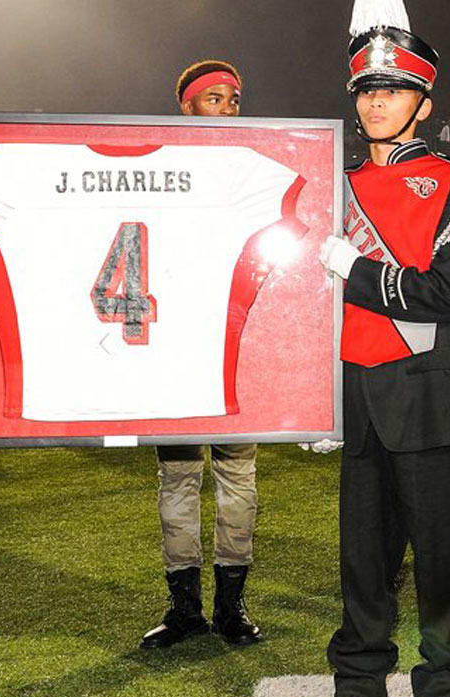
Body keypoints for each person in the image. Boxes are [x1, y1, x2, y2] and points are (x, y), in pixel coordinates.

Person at [316, 1, 450, 697]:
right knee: (363, 565)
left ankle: (443, 689)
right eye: (367, 91)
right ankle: (359, 690)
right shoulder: (330, 185)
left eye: (394, 90)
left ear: (424, 102)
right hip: (359, 392)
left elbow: (447, 291)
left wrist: (356, 269)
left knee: (443, 561)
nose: (378, 101)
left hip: (436, 395)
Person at [140, 59, 262, 650]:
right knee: (178, 479)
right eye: (212, 99)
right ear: (185, 108)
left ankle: (231, 606)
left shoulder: (251, 171)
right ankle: (184, 605)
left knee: (239, 478)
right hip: (178, 353)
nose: (227, 109)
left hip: (236, 348)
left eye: (233, 100)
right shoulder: (157, 172)